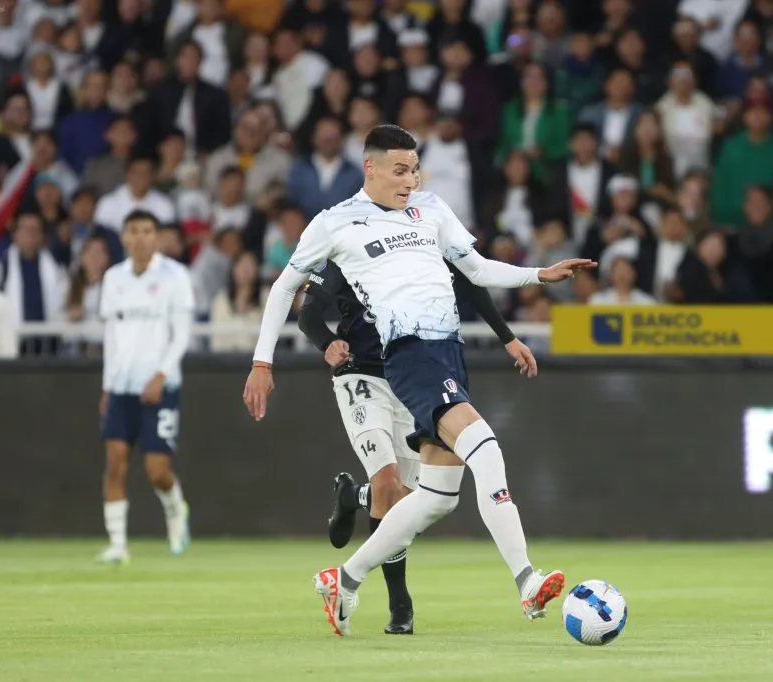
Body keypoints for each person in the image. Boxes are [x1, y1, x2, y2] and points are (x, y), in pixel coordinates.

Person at [243, 124, 594, 636]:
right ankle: (526, 581)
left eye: (415, 168)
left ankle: (344, 578)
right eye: (400, 170)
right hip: (409, 355)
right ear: (371, 167)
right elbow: (283, 289)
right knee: (486, 448)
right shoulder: (335, 223)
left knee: (436, 497)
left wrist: (538, 274)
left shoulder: (430, 208)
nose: (411, 179)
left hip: (448, 354)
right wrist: (262, 362)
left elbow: (474, 269)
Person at [296, 257, 536, 635]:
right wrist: (327, 343)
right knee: (390, 485)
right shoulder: (347, 245)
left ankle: (352, 517)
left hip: (415, 378)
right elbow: (307, 314)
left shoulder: (423, 237)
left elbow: (473, 279)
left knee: (423, 499)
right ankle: (400, 603)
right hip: (362, 373)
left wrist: (507, 337)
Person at [97, 209, 195, 565]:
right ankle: (118, 546)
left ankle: (174, 509)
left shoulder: (175, 276)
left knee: (156, 469)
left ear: (156, 237)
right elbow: (111, 336)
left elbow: (182, 333)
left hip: (160, 386)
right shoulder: (113, 278)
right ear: (124, 237)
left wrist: (161, 375)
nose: (139, 237)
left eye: (147, 231)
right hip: (121, 386)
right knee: (115, 463)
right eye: (133, 231)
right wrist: (107, 386)